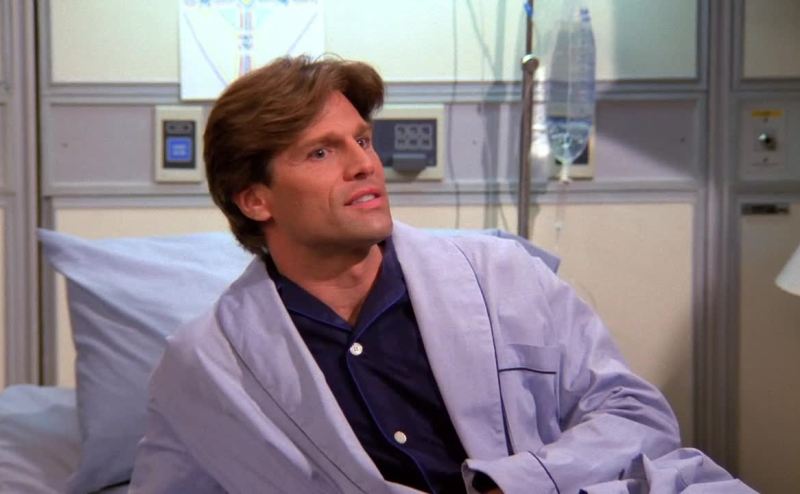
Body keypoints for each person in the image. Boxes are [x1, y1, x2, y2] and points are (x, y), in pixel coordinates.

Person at [130, 56, 751, 494]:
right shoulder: (204, 365)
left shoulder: (503, 276)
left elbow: (636, 414)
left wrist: (514, 486)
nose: (363, 165)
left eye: (362, 140)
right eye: (321, 152)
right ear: (255, 199)